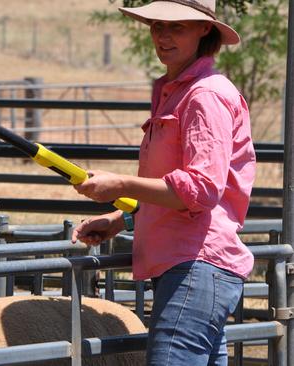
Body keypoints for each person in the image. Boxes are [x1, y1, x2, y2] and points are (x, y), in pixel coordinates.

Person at [71, 1, 256, 365]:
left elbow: (202, 189)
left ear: (204, 30)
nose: (163, 35)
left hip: (195, 266)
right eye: (157, 26)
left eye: (178, 27)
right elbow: (183, 194)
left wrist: (122, 185)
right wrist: (122, 220)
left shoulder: (205, 95)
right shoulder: (179, 91)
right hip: (192, 267)